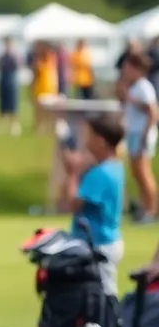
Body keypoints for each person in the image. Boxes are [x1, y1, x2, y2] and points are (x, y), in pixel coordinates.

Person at [62, 115, 126, 294]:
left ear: (101, 140)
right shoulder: (113, 167)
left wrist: (72, 173)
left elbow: (73, 203)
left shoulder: (100, 173)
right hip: (105, 240)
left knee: (103, 297)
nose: (86, 141)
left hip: (97, 243)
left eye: (90, 135)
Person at [121, 52, 158, 222]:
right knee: (137, 173)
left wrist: (144, 134)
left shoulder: (144, 86)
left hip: (142, 133)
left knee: (144, 173)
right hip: (134, 132)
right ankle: (144, 208)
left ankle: (152, 209)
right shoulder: (134, 86)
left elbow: (152, 112)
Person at [0, 39, 21, 136]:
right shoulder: (2, 57)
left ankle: (14, 125)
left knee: (13, 104)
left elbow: (17, 65)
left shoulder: (14, 56)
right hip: (3, 81)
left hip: (12, 81)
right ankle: (2, 125)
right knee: (3, 104)